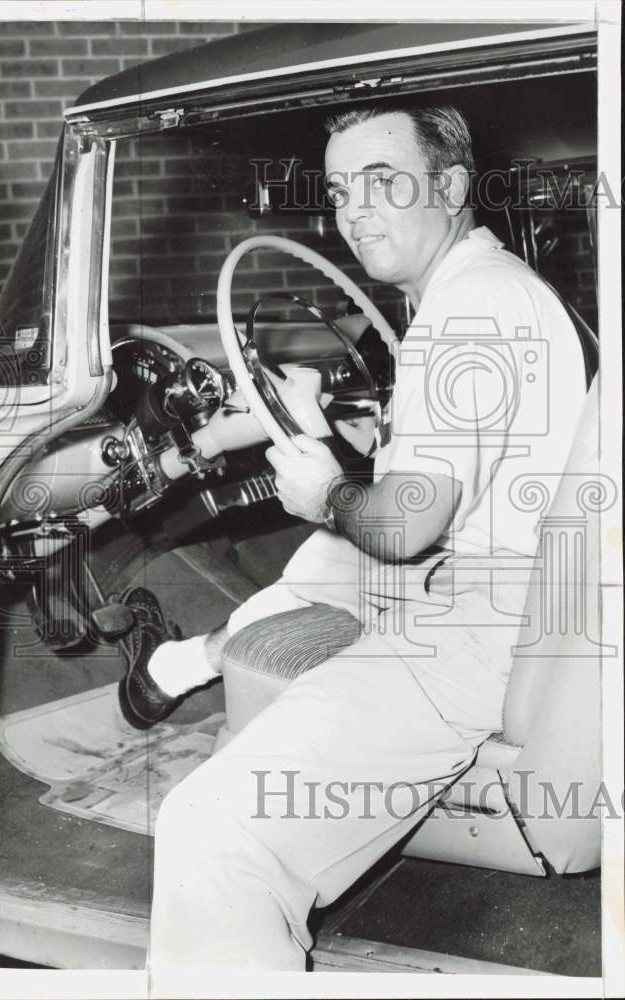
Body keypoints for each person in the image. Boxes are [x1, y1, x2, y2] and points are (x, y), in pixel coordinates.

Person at [118, 106, 588, 975]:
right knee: (327, 559)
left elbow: (404, 525)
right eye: (339, 191)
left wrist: (326, 488)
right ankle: (188, 664)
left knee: (212, 833)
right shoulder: (483, 290)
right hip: (505, 590)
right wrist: (323, 436)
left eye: (384, 180)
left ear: (449, 187)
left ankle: (189, 673)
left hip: (479, 628)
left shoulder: (473, 312)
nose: (353, 210)